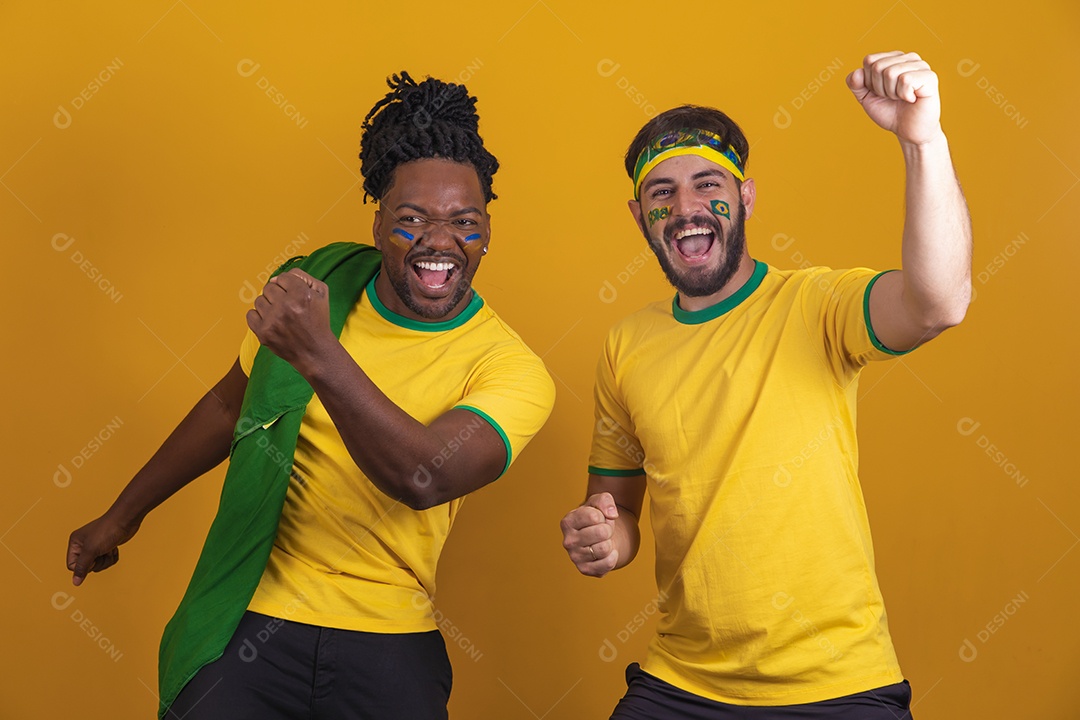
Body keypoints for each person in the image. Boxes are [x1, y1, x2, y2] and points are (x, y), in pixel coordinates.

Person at [66, 71, 555, 720]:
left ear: (487, 231)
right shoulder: (319, 281)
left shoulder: (512, 369)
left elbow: (423, 477)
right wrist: (124, 514)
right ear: (378, 223)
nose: (440, 241)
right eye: (412, 220)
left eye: (464, 222)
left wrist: (320, 356)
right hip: (248, 619)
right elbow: (229, 405)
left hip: (389, 640)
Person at [560, 51, 970, 719]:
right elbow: (618, 512)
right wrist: (603, 538)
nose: (686, 207)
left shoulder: (816, 304)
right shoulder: (624, 345)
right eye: (662, 193)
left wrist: (923, 142)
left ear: (745, 197)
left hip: (838, 688)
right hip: (681, 685)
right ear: (640, 215)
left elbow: (940, 301)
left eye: (706, 184)